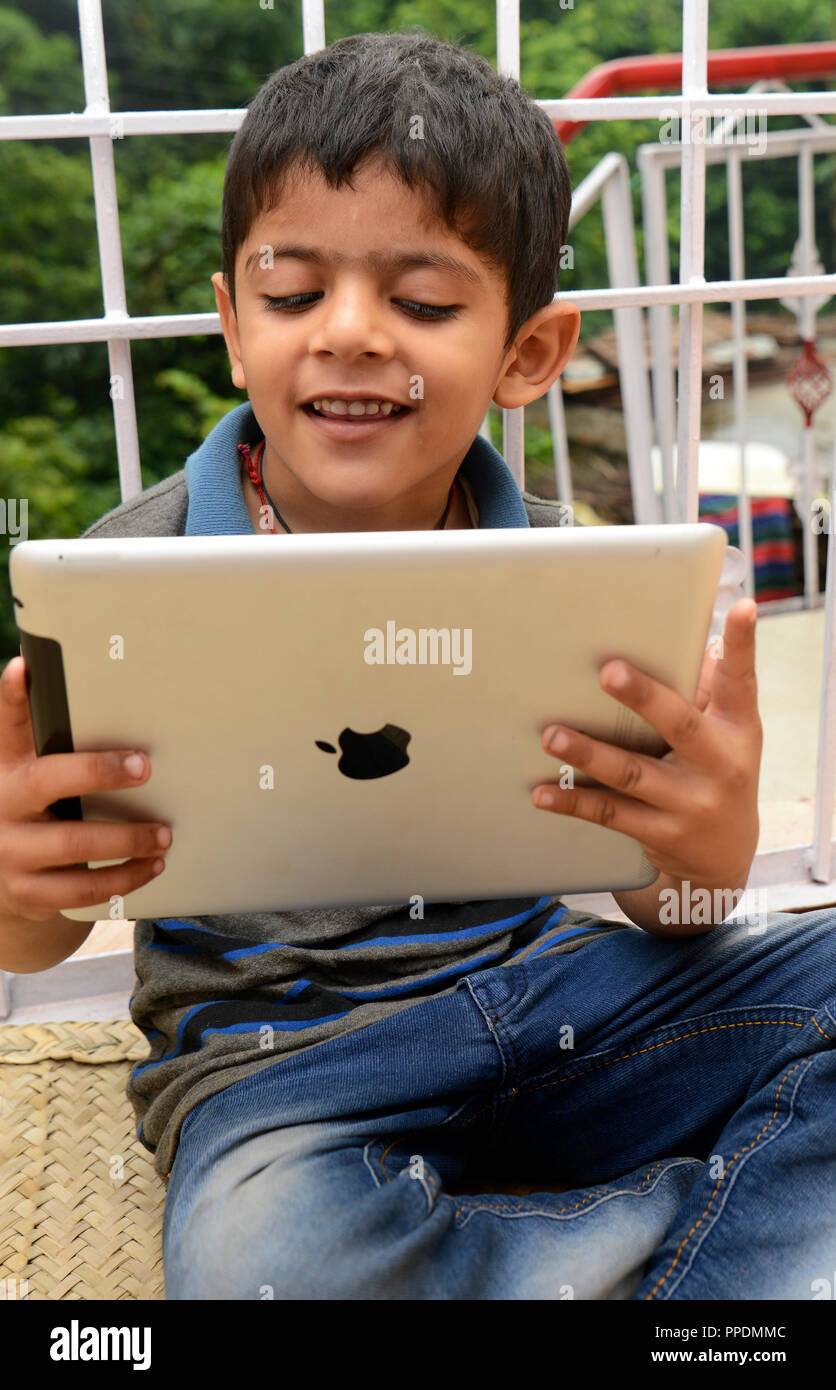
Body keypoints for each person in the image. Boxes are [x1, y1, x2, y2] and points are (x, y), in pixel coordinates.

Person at [0, 31, 832, 1301]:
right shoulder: (131, 570)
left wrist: (703, 857)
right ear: (232, 327)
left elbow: (672, 911)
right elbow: (42, 930)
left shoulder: (573, 573)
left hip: (561, 1008)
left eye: (424, 303)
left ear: (525, 357)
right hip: (280, 1071)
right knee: (262, 1269)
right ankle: (680, 1238)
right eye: (291, 296)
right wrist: (20, 881)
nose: (346, 335)